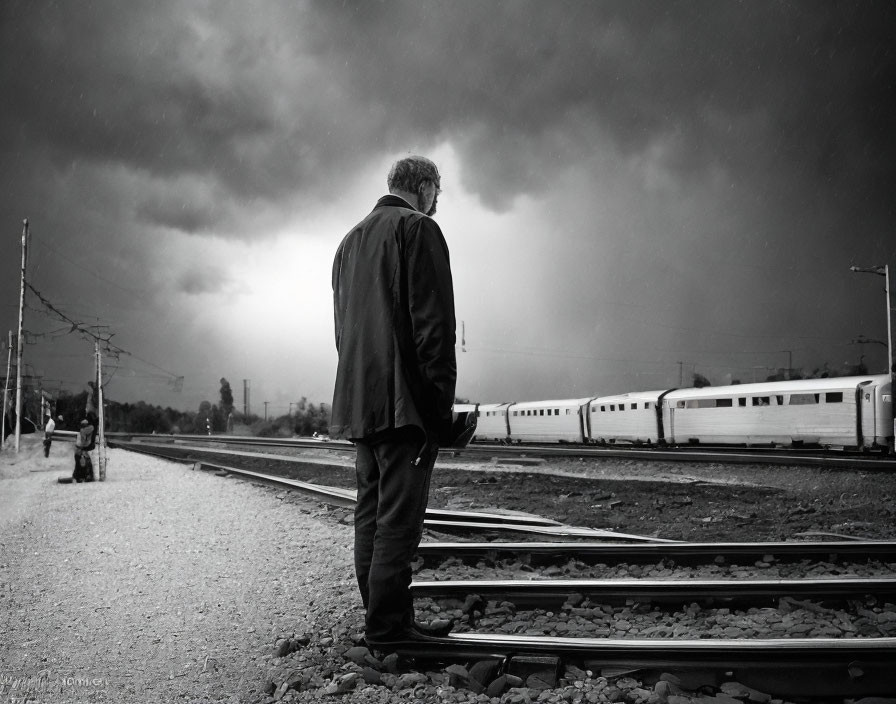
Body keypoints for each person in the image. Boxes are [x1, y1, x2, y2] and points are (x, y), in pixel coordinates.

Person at [330, 155, 457, 648]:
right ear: (424, 187)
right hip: (405, 408)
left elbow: (343, 333)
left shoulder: (348, 243)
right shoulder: (418, 229)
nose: (436, 203)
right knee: (398, 525)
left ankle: (384, 620)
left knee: (371, 516)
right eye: (438, 194)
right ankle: (388, 630)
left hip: (360, 405)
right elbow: (434, 330)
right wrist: (439, 412)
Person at [73, 418, 96, 483]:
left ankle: (79, 476)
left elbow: (83, 441)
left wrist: (81, 448)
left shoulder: (83, 431)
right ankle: (87, 476)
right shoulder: (91, 428)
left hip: (84, 447)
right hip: (87, 447)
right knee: (84, 461)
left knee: (79, 460)